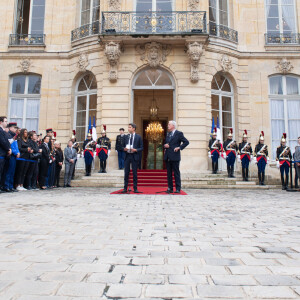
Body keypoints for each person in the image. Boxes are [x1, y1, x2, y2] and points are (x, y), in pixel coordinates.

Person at [163, 120, 189, 193]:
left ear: (173, 126)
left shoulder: (179, 133)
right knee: (169, 173)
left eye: (169, 124)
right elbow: (165, 144)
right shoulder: (168, 134)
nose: (168, 125)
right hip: (168, 156)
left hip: (175, 156)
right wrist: (165, 145)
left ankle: (178, 188)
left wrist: (179, 147)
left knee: (176, 173)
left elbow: (186, 142)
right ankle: (170, 188)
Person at [121, 123, 143, 193]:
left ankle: (135, 188)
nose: (128, 128)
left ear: (133, 128)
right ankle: (125, 188)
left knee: (134, 173)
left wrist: (136, 150)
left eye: (130, 127)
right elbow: (121, 146)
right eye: (128, 127)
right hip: (127, 156)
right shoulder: (126, 137)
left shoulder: (138, 137)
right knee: (126, 172)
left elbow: (142, 147)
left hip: (134, 156)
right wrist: (124, 149)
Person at [4, 122, 20, 192]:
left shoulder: (14, 135)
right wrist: (15, 152)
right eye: (14, 128)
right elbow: (10, 145)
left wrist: (18, 152)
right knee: (9, 171)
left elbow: (16, 146)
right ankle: (7, 186)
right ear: (10, 128)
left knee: (12, 172)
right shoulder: (8, 135)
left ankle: (11, 186)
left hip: (14, 156)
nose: (15, 129)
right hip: (11, 155)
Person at [0, 117, 11, 194]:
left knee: (3, 171)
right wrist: (8, 149)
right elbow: (2, 141)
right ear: (1, 122)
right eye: (5, 121)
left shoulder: (3, 131)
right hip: (1, 153)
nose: (6, 123)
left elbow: (7, 141)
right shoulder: (0, 131)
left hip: (4, 154)